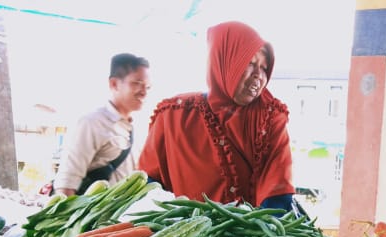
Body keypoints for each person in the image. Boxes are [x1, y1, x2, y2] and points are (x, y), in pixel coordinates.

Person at [138, 21, 296, 212]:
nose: (258, 76)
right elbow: (148, 186)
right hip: (181, 236)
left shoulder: (269, 118)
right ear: (223, 61)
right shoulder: (173, 116)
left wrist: (265, 235)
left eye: (264, 68)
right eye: (250, 63)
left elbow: (277, 195)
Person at [52, 53, 151, 196]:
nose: (144, 92)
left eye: (148, 87)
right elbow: (66, 184)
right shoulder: (92, 123)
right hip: (92, 216)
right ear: (114, 84)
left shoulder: (137, 128)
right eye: (137, 83)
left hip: (120, 217)